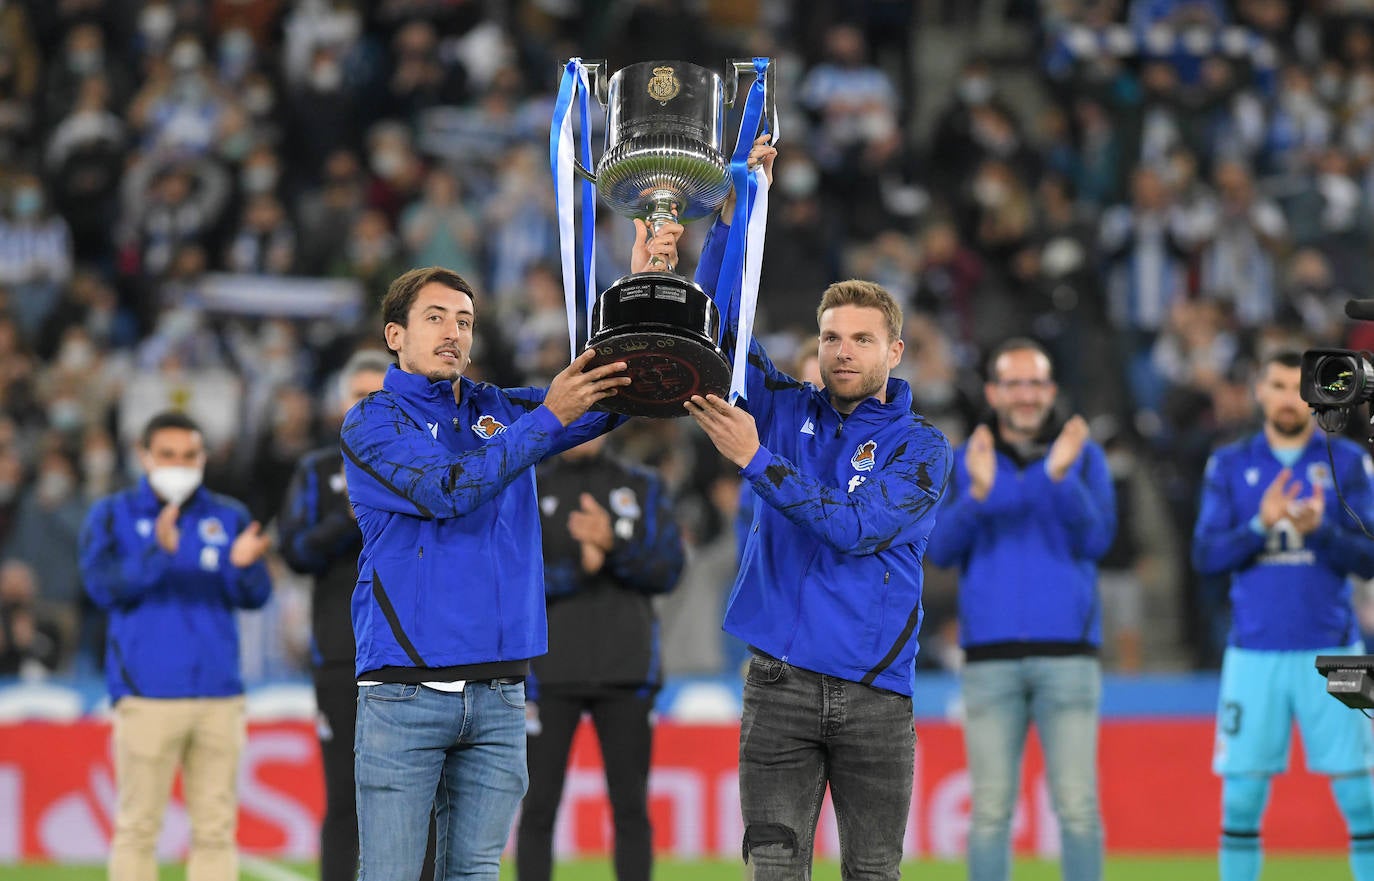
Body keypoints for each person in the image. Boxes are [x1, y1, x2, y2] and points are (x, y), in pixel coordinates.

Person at [339, 247, 668, 880]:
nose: (454, 332)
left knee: (477, 873)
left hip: (498, 690)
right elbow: (447, 490)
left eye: (464, 320)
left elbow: (620, 395)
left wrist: (644, 291)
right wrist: (546, 419)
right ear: (395, 335)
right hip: (405, 688)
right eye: (435, 318)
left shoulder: (500, 410)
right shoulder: (373, 422)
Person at [676, 137, 954, 878]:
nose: (842, 351)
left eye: (862, 339)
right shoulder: (781, 407)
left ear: (896, 351)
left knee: (871, 872)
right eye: (831, 337)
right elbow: (716, 336)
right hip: (779, 683)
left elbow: (856, 529)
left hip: (875, 692)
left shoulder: (922, 450)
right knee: (773, 867)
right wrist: (735, 218)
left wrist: (756, 460)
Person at [925, 337, 1116, 881]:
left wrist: (1060, 479)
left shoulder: (1083, 458)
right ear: (993, 391)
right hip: (989, 658)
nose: (1026, 395)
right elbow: (939, 549)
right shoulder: (967, 462)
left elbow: (1100, 540)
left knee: (1078, 809)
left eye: (1035, 383)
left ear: (1051, 390)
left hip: (1069, 657)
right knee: (988, 813)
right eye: (1014, 383)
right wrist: (978, 494)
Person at [1192, 350, 1374, 881]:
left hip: (1339, 650)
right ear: (1259, 392)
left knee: (1363, 799)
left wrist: (1323, 531)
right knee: (1242, 801)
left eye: (1299, 386)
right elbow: (1205, 558)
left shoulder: (1347, 462)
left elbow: (1369, 559)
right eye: (1276, 383)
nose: (1288, 396)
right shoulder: (1228, 464)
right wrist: (1258, 526)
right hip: (1254, 652)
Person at [78, 410, 273, 881]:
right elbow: (100, 590)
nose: (179, 464)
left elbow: (254, 597)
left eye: (189, 455)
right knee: (138, 829)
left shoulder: (228, 516)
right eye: (168, 455)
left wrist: (246, 566)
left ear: (203, 457)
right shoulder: (111, 515)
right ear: (144, 456)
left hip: (218, 695)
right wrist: (157, 554)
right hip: (146, 696)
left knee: (215, 831)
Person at [277, 348, 438, 881]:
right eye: (358, 394)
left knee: (427, 796)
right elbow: (296, 551)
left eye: (380, 395)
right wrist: (352, 516)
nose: (367, 405)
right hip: (342, 655)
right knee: (345, 799)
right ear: (338, 404)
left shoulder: (425, 465)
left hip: (418, 655)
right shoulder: (318, 471)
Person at [515, 433, 685, 881]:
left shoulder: (642, 485)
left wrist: (613, 545)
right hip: (548, 673)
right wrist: (579, 570)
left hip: (626, 670)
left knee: (630, 807)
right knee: (537, 807)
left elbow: (668, 570)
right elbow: (513, 577)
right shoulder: (531, 483)